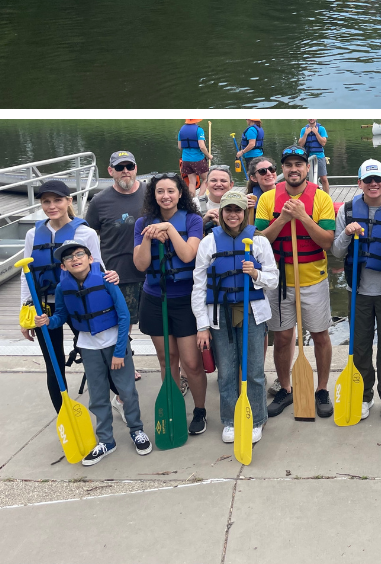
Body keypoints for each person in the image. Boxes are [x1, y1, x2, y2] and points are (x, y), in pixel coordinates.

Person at [36, 240, 150, 462]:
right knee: (97, 396)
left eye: (79, 254)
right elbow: (61, 316)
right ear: (63, 266)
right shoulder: (62, 288)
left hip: (115, 343)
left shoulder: (106, 280)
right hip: (88, 346)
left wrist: (119, 352)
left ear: (91, 259)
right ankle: (106, 441)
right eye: (68, 258)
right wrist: (47, 321)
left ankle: (136, 429)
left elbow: (124, 315)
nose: (74, 259)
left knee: (126, 391)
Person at [190, 188, 277, 445]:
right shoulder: (209, 242)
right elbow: (199, 286)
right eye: (228, 209)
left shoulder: (259, 242)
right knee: (227, 371)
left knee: (254, 371)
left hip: (252, 311)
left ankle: (257, 418)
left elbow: (273, 279)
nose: (233, 214)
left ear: (245, 212)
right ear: (222, 212)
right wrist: (202, 326)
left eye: (238, 210)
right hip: (219, 313)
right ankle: (229, 419)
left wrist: (256, 274)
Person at [256, 147, 338, 420]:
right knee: (281, 337)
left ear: (306, 168)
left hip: (313, 280)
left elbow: (327, 242)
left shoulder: (322, 198)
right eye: (289, 164)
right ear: (283, 169)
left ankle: (322, 389)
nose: (294, 169)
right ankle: (286, 388)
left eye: (299, 164)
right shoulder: (268, 199)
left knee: (320, 335)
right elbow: (260, 241)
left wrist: (303, 216)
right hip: (279, 282)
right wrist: (283, 219)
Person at [23, 179, 109, 411]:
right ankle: (64, 414)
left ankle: (117, 400)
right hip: (45, 308)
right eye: (46, 201)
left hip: (77, 303)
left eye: (57, 200)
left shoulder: (85, 232)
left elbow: (98, 268)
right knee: (54, 363)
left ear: (68, 201)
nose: (52, 206)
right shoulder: (33, 234)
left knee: (98, 355)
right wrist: (26, 313)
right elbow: (26, 274)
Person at [332, 160, 381, 421]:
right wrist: (346, 234)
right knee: (360, 345)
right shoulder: (348, 210)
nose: (373, 184)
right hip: (359, 291)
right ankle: (364, 395)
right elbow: (337, 251)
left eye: (378, 179)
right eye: (368, 180)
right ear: (359, 183)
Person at [132, 173, 208, 434]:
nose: (165, 196)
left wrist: (169, 229)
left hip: (184, 301)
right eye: (160, 192)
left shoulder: (193, 220)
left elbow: (188, 255)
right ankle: (173, 407)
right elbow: (141, 264)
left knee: (192, 362)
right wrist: (148, 237)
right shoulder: (143, 223)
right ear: (154, 196)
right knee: (167, 359)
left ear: (179, 194)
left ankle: (200, 411)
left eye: (171, 191)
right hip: (154, 298)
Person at [85, 152, 145, 350]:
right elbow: (88, 236)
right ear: (111, 171)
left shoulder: (151, 193)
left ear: (136, 168)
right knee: (122, 323)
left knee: (159, 322)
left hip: (151, 270)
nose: (125, 171)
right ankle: (126, 361)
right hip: (118, 273)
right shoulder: (99, 201)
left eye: (130, 166)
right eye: (120, 168)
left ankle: (169, 364)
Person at [297, 119, 332, 194]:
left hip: (319, 157)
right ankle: (310, 195)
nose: (311, 118)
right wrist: (306, 134)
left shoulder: (321, 129)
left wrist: (316, 133)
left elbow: (323, 143)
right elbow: (301, 144)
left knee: (324, 178)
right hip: (308, 158)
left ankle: (327, 197)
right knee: (308, 179)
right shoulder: (304, 130)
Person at [177, 119, 210, 191]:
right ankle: (200, 197)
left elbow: (180, 147)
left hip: (185, 160)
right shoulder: (199, 130)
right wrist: (209, 156)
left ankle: (193, 199)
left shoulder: (181, 130)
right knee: (206, 179)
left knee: (192, 182)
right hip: (198, 159)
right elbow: (202, 146)